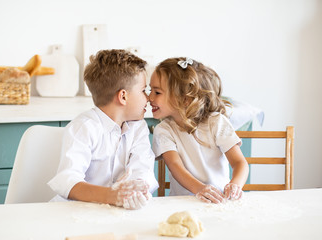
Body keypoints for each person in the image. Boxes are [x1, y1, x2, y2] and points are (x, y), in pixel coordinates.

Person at [48, 49, 158, 210]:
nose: (148, 98)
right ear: (123, 96)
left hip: (116, 211)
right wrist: (112, 195)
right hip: (76, 211)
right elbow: (68, 179)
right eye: (143, 90)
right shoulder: (84, 127)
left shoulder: (138, 127)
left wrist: (135, 189)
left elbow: (142, 168)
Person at [149, 57, 249, 204]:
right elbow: (176, 167)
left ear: (185, 99)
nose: (149, 97)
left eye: (157, 92)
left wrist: (235, 185)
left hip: (220, 201)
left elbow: (240, 163)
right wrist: (200, 189)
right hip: (182, 203)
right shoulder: (163, 130)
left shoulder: (216, 122)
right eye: (149, 90)